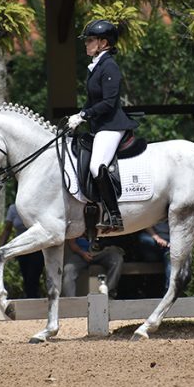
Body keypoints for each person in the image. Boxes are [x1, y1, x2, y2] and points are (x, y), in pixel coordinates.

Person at [67, 19, 138, 232]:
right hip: (100, 126)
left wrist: (85, 114)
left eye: (90, 40)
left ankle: (114, 215)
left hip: (112, 125)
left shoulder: (110, 67)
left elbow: (108, 102)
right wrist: (78, 115)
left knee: (97, 166)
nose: (86, 44)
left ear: (103, 43)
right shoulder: (96, 67)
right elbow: (91, 100)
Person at [0, 203, 44, 299]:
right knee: (26, 277)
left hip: (37, 247)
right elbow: (7, 229)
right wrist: (1, 248)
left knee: (32, 278)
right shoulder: (13, 209)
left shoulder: (36, 206)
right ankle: (32, 300)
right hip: (22, 249)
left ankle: (33, 300)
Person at [135, 221, 172, 291]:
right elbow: (147, 225)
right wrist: (157, 238)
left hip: (170, 245)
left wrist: (170, 243)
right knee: (143, 238)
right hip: (154, 241)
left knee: (170, 258)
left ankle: (169, 290)